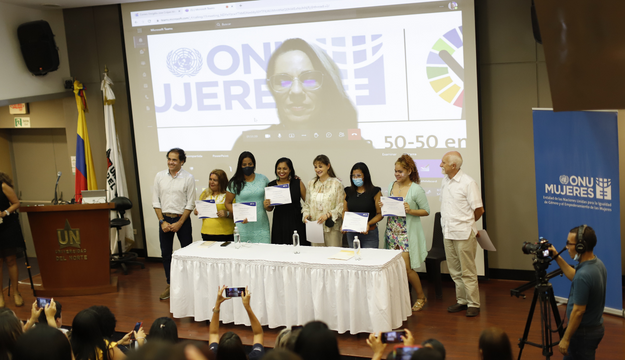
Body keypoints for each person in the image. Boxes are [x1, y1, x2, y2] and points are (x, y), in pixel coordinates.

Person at [548, 225, 607, 360]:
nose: (567, 247)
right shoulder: (597, 264)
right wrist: (557, 257)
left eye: (569, 243)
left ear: (581, 246)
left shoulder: (584, 275)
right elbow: (576, 276)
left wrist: (565, 338)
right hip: (593, 329)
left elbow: (578, 311)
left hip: (583, 334)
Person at [381, 155, 430, 311]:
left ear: (409, 171)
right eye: (395, 171)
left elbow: (426, 211)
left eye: (400, 171)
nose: (397, 174)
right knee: (393, 267)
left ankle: (421, 297)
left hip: (406, 234)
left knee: (407, 269)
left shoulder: (416, 189)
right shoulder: (391, 185)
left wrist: (411, 210)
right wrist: (383, 205)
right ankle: (400, 298)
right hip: (391, 231)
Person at [440, 151, 484, 317]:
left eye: (443, 162)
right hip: (448, 232)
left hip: (464, 233)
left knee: (468, 271)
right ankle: (462, 301)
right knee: (455, 271)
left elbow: (479, 210)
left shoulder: (468, 183)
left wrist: (469, 223)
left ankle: (474, 303)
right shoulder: (445, 181)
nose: (440, 165)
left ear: (453, 165)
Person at [152, 148, 196, 300]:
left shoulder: (188, 178)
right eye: (169, 159)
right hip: (164, 220)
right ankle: (171, 284)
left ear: (182, 161)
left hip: (182, 220)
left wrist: (179, 223)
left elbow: (190, 204)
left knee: (186, 253)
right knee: (166, 254)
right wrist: (162, 221)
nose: (171, 162)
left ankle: (188, 285)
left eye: (174, 160)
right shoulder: (159, 176)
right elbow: (155, 201)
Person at [208, 285, 264, 360]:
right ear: (241, 349)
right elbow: (258, 333)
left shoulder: (212, 356)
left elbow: (213, 333)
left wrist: (217, 304)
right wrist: (247, 307)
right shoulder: (256, 357)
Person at [225, 152, 270, 244]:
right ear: (240, 166)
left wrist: (292, 177)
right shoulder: (234, 182)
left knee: (264, 253)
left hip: (261, 225)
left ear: (254, 164)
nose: (247, 166)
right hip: (243, 225)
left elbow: (274, 191)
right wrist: (239, 213)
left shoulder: (263, 179)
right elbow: (227, 203)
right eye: (244, 164)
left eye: (250, 164)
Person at [302, 155, 344, 247]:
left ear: (328, 166)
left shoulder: (336, 183)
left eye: (320, 166)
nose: (317, 169)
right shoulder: (311, 183)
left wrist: (328, 215)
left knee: (333, 256)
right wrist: (306, 214)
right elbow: (307, 204)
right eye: (315, 167)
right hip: (315, 226)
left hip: (331, 227)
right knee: (317, 256)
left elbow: (341, 206)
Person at [264, 158, 308, 245]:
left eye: (285, 168)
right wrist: (266, 205)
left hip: (296, 220)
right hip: (279, 222)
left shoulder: (297, 182)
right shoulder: (271, 185)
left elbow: (308, 202)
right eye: (279, 168)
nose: (281, 171)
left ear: (290, 169)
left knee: (298, 246)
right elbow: (270, 209)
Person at [0, 172, 26, 308]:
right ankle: (0, 295)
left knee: (10, 260)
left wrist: (5, 212)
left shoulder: (3, 186)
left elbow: (16, 203)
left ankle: (16, 292)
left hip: (7, 226)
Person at [343, 162, 382, 248]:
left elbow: (380, 214)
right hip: (351, 234)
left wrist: (368, 224)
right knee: (353, 259)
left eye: (358, 175)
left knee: (370, 259)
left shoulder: (375, 192)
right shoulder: (348, 191)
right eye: (353, 176)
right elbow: (345, 211)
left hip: (369, 234)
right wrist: (345, 223)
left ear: (366, 176)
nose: (355, 178)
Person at [194, 169, 235, 242]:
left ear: (222, 182)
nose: (211, 182)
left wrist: (227, 214)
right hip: (206, 232)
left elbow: (238, 213)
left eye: (215, 180)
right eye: (210, 179)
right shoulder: (205, 193)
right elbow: (198, 209)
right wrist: (196, 211)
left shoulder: (228, 195)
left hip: (225, 234)